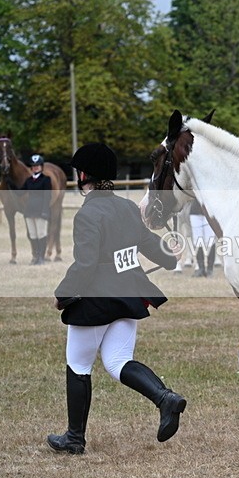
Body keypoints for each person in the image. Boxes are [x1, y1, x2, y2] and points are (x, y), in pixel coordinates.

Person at [48, 142, 186, 455]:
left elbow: (85, 265)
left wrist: (62, 296)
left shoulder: (87, 214)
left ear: (84, 175)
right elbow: (150, 244)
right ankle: (165, 398)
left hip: (98, 301)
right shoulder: (126, 207)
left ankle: (73, 438)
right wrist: (170, 255)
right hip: (128, 297)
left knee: (79, 364)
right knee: (117, 361)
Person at [11, 153, 52, 265]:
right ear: (31, 168)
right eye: (34, 166)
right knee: (33, 235)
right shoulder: (29, 180)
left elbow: (47, 197)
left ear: (41, 167)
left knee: (41, 234)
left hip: (40, 210)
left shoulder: (46, 180)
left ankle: (41, 258)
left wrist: (45, 211)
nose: (35, 167)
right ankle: (36, 256)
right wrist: (11, 184)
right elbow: (20, 193)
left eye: (38, 165)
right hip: (29, 210)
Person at [189, 199, 216, 277]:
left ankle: (210, 269)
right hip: (195, 211)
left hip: (209, 211)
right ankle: (201, 268)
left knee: (210, 240)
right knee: (197, 240)